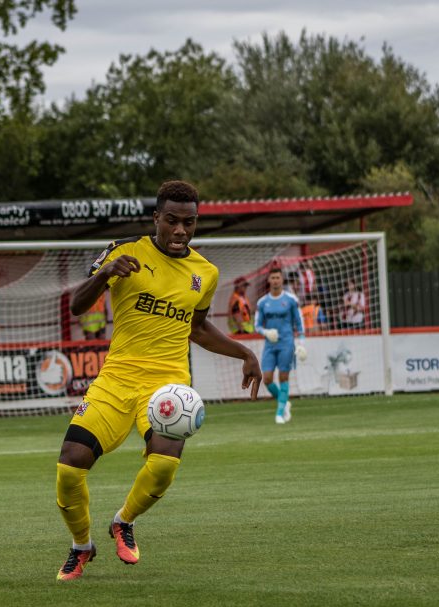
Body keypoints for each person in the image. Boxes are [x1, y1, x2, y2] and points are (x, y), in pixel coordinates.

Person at [54, 180, 261, 582]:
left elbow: (197, 329)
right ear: (156, 219)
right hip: (116, 378)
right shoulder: (124, 251)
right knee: (69, 467)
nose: (181, 231)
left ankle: (123, 521)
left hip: (168, 384)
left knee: (164, 463)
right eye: (172, 221)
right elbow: (79, 306)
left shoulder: (206, 272)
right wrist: (105, 275)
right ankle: (81, 546)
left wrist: (245, 352)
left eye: (189, 223)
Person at [255, 267, 306, 425]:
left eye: (278, 277)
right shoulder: (262, 302)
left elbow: (299, 323)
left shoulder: (291, 300)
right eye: (273, 278)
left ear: (282, 280)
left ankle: (279, 413)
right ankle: (284, 402)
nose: (275, 280)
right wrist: (266, 332)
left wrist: (302, 343)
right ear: (269, 280)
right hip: (270, 345)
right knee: (267, 379)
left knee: (283, 377)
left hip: (287, 343)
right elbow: (257, 325)